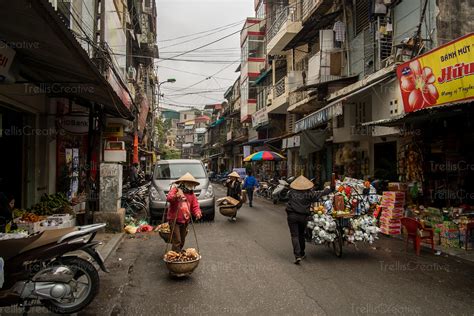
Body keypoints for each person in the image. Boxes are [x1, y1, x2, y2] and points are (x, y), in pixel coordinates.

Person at [286, 175, 333, 264]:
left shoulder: (291, 192)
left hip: (292, 216)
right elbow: (321, 193)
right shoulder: (309, 194)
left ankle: (297, 255)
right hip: (303, 217)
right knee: (301, 234)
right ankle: (302, 253)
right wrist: (330, 189)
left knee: (294, 235)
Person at [166, 173, 202, 252]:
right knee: (177, 240)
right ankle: (175, 258)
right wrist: (176, 196)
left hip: (185, 220)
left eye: (192, 184)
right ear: (183, 183)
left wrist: (197, 213)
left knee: (182, 240)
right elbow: (169, 198)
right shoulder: (176, 190)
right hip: (174, 220)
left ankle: (178, 253)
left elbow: (195, 206)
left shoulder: (192, 195)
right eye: (189, 183)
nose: (191, 185)